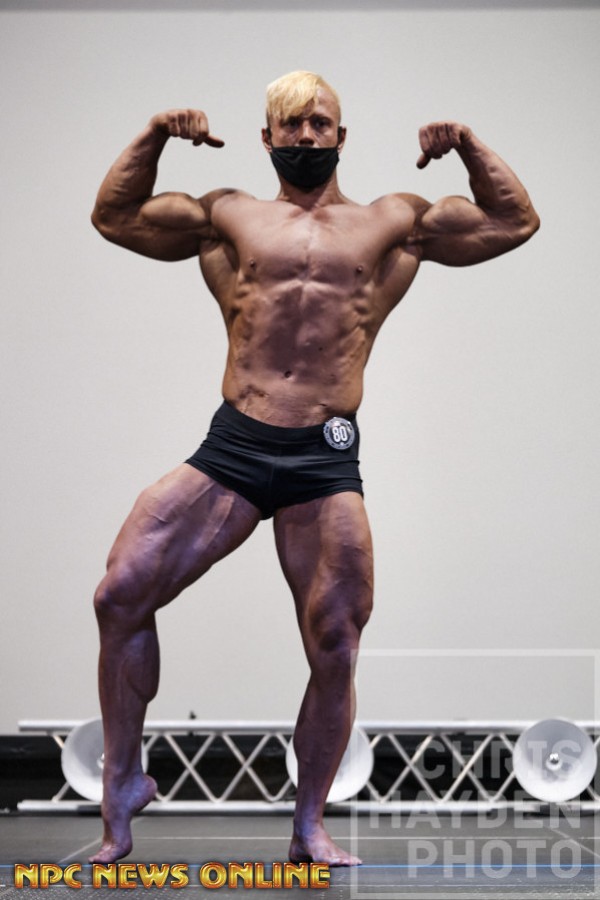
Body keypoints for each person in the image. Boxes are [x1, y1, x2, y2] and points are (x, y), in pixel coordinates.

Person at [89, 70, 539, 866]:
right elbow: (115, 216)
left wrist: (469, 147)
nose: (305, 136)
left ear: (341, 135)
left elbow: (514, 221)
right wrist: (156, 135)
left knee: (335, 640)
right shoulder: (227, 215)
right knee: (120, 592)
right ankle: (122, 783)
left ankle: (309, 825)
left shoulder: (393, 221)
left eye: (319, 123)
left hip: (322, 458)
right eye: (290, 125)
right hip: (235, 446)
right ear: (266, 138)